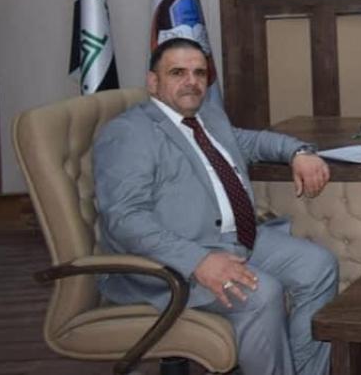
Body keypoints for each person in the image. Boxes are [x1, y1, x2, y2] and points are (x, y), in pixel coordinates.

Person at [93, 37, 337, 375]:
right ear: (152, 82)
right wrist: (198, 261)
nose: (191, 81)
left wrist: (298, 152)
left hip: (234, 238)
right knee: (261, 292)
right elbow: (125, 219)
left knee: (318, 265)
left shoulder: (206, 114)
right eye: (177, 72)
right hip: (173, 261)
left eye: (199, 73)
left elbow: (251, 142)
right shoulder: (129, 133)